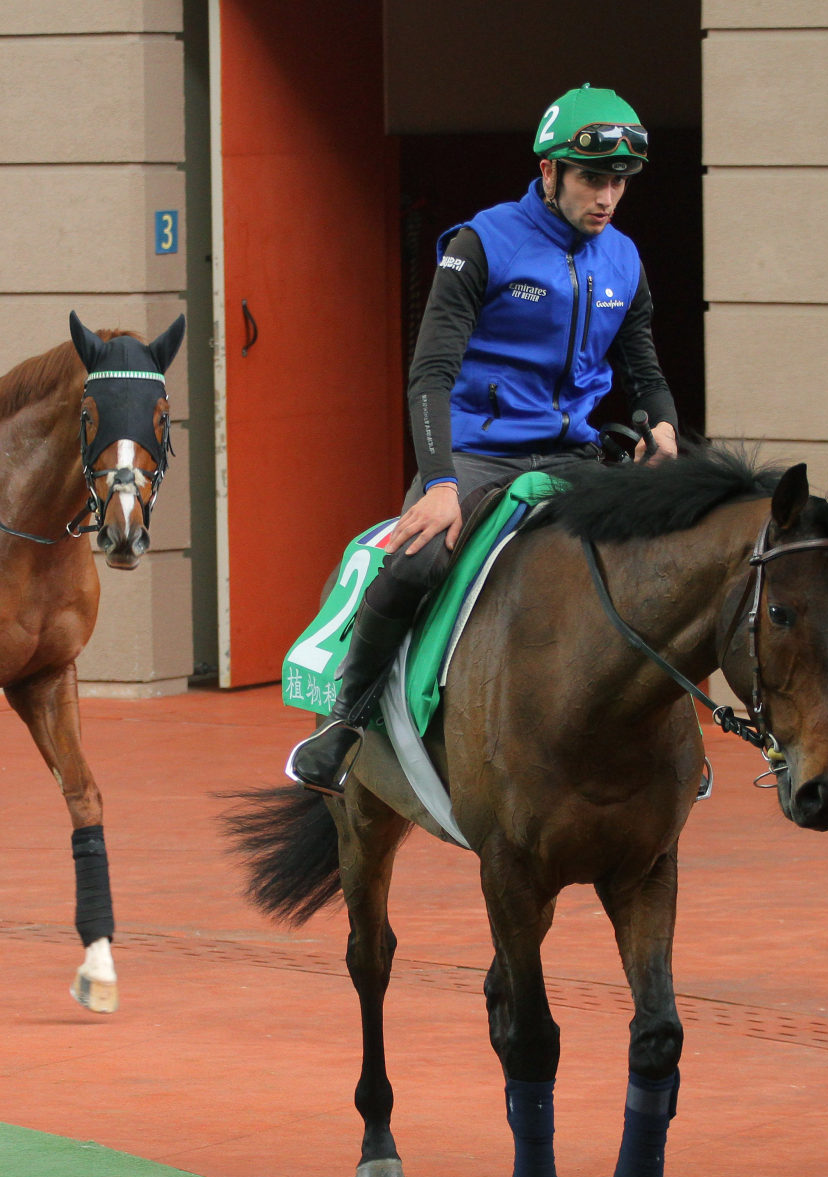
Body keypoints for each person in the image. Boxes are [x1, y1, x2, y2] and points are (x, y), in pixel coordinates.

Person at [286, 84, 682, 795]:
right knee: (414, 562)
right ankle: (343, 723)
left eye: (618, 182)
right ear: (548, 171)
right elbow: (429, 374)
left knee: (667, 565)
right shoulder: (481, 244)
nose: (606, 197)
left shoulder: (623, 259)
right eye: (591, 178)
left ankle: (671, 748)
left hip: (574, 457)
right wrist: (438, 485)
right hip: (475, 454)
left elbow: (644, 368)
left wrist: (662, 427)